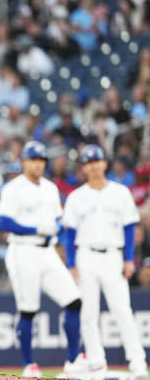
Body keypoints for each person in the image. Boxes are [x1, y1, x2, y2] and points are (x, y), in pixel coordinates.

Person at [0, 141, 83, 378]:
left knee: (74, 301)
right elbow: (3, 222)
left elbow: (58, 222)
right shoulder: (13, 188)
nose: (38, 163)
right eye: (33, 159)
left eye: (41, 159)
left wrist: (57, 234)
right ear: (23, 161)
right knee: (28, 310)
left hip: (48, 252)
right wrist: (36, 228)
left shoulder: (50, 188)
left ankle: (74, 361)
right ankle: (29, 366)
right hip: (23, 251)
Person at [63, 145, 149, 378]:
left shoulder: (120, 192)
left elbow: (130, 227)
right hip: (86, 256)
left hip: (113, 255)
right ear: (84, 167)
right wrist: (71, 264)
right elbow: (70, 236)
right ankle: (96, 361)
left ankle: (138, 363)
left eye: (96, 161)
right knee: (88, 313)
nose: (93, 166)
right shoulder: (76, 197)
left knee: (122, 310)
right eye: (88, 162)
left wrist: (129, 258)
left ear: (104, 163)